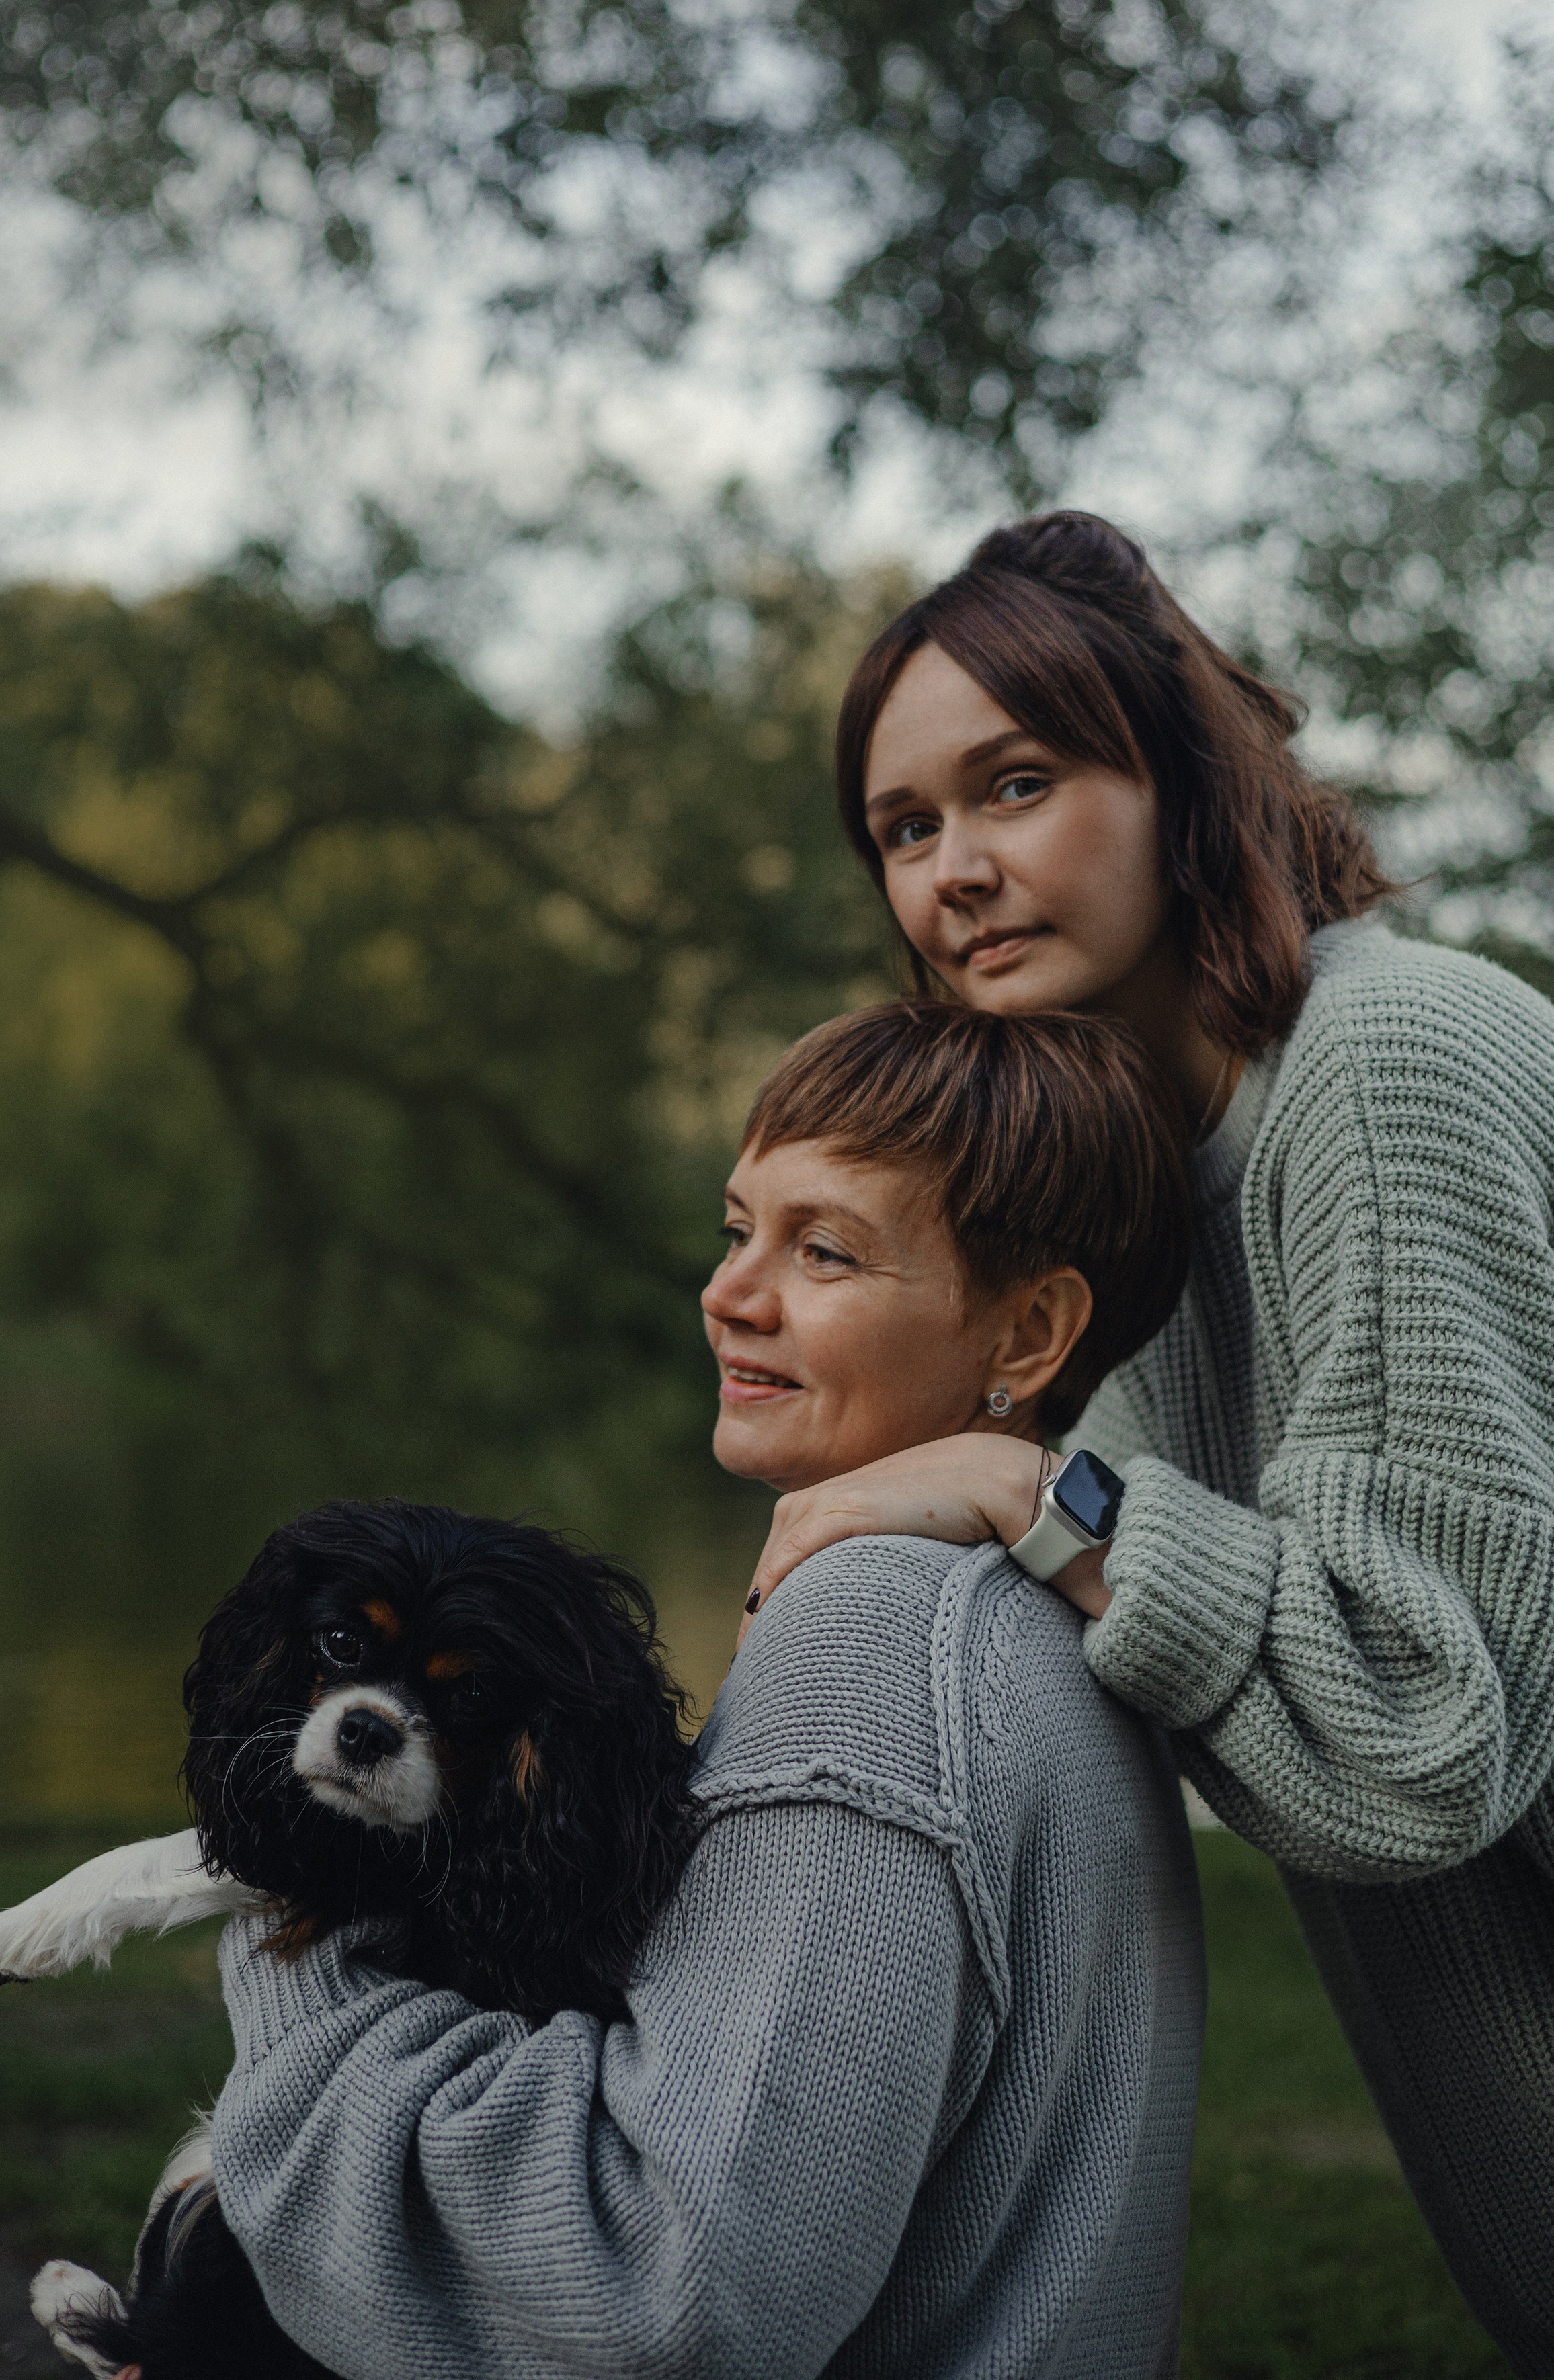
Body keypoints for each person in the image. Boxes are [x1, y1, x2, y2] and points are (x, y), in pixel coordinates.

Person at [742, 508, 1554, 2379]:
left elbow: (1410, 1735)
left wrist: (1042, 1496)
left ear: (1185, 783)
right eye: (904, 828)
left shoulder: (1386, 1064)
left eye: (1016, 784)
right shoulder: (1131, 1205)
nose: (956, 869)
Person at [209, 1000, 1204, 2380]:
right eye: (739, 1229)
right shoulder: (1054, 1611)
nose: (729, 1294)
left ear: (1029, 1332)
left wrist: (301, 1954)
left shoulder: (874, 1637)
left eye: (825, 1250)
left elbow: (666, 2299)